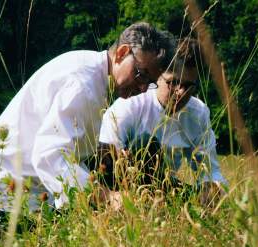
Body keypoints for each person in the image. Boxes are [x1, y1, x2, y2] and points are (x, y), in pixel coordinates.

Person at [0, 22, 175, 218]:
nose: (143, 87)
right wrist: (107, 197)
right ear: (121, 53)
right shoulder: (83, 85)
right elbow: (50, 155)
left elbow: (66, 143)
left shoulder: (93, 71)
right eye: (141, 74)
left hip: (18, 185)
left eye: (151, 82)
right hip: (1, 190)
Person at [97, 38, 227, 205]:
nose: (181, 92)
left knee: (202, 195)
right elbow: (104, 167)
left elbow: (210, 172)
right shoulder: (129, 104)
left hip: (165, 189)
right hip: (123, 191)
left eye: (188, 85)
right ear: (157, 76)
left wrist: (210, 192)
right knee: (146, 144)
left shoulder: (198, 113)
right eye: (173, 82)